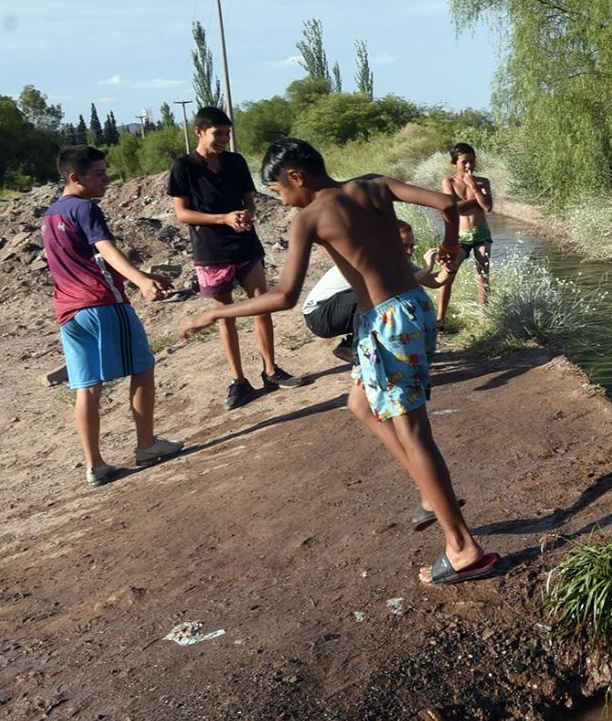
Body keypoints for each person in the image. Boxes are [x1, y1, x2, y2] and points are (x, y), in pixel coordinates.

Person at [179, 138, 499, 585]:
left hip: (386, 322)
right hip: (412, 308)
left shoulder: (309, 217)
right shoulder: (373, 185)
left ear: (296, 176)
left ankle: (463, 548)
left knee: (414, 432)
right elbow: (450, 203)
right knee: (361, 404)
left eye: (278, 192)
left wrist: (215, 311)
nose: (282, 201)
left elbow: (285, 297)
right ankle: (430, 498)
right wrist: (449, 246)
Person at [44, 145, 185, 486]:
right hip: (102, 305)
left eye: (106, 172)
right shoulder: (84, 208)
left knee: (87, 386)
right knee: (143, 367)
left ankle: (94, 465)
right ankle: (147, 445)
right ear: (74, 177)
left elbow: (81, 260)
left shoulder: (51, 215)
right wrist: (141, 283)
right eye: (99, 174)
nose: (106, 179)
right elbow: (106, 249)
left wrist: (142, 276)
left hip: (68, 313)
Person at [167, 106, 305, 409]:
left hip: (245, 246)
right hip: (211, 252)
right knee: (225, 315)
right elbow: (182, 213)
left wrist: (246, 216)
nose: (224, 140)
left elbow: (249, 201)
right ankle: (238, 380)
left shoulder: (235, 161)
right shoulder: (183, 167)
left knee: (261, 305)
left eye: (227, 133)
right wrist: (223, 219)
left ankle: (271, 371)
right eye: (218, 133)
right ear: (199, 132)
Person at [302, 218, 462, 362]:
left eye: (411, 246)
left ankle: (351, 346)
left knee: (393, 297)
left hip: (339, 310)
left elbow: (434, 282)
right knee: (378, 295)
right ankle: (361, 355)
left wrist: (449, 269)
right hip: (319, 316)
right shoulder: (372, 257)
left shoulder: (398, 260)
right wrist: (427, 267)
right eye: (404, 245)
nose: (409, 251)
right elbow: (398, 285)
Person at [436, 143, 494, 328]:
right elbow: (452, 208)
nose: (469, 166)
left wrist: (474, 187)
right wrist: (475, 200)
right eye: (464, 162)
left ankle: (483, 320)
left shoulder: (483, 182)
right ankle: (440, 319)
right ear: (455, 163)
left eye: (472, 161)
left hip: (481, 233)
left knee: (483, 276)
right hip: (460, 236)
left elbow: (487, 207)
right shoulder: (449, 182)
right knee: (448, 275)